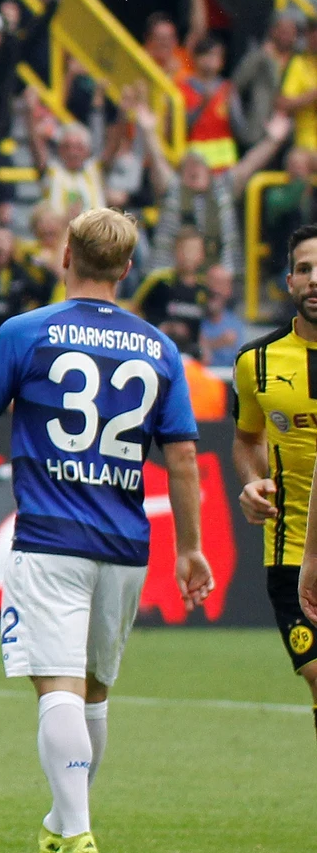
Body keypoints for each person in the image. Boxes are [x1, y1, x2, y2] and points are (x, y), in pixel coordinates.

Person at [0, 207, 212, 853]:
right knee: (93, 692)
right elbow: (183, 458)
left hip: (50, 538)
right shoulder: (159, 346)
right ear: (127, 268)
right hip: (124, 546)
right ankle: (63, 826)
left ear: (65, 256)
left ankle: (78, 829)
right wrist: (190, 547)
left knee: (56, 686)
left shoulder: (25, 331)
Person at [233, 223, 317, 741]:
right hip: (288, 552)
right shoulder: (256, 362)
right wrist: (251, 482)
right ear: (289, 282)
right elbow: (246, 440)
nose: (314, 279)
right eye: (305, 269)